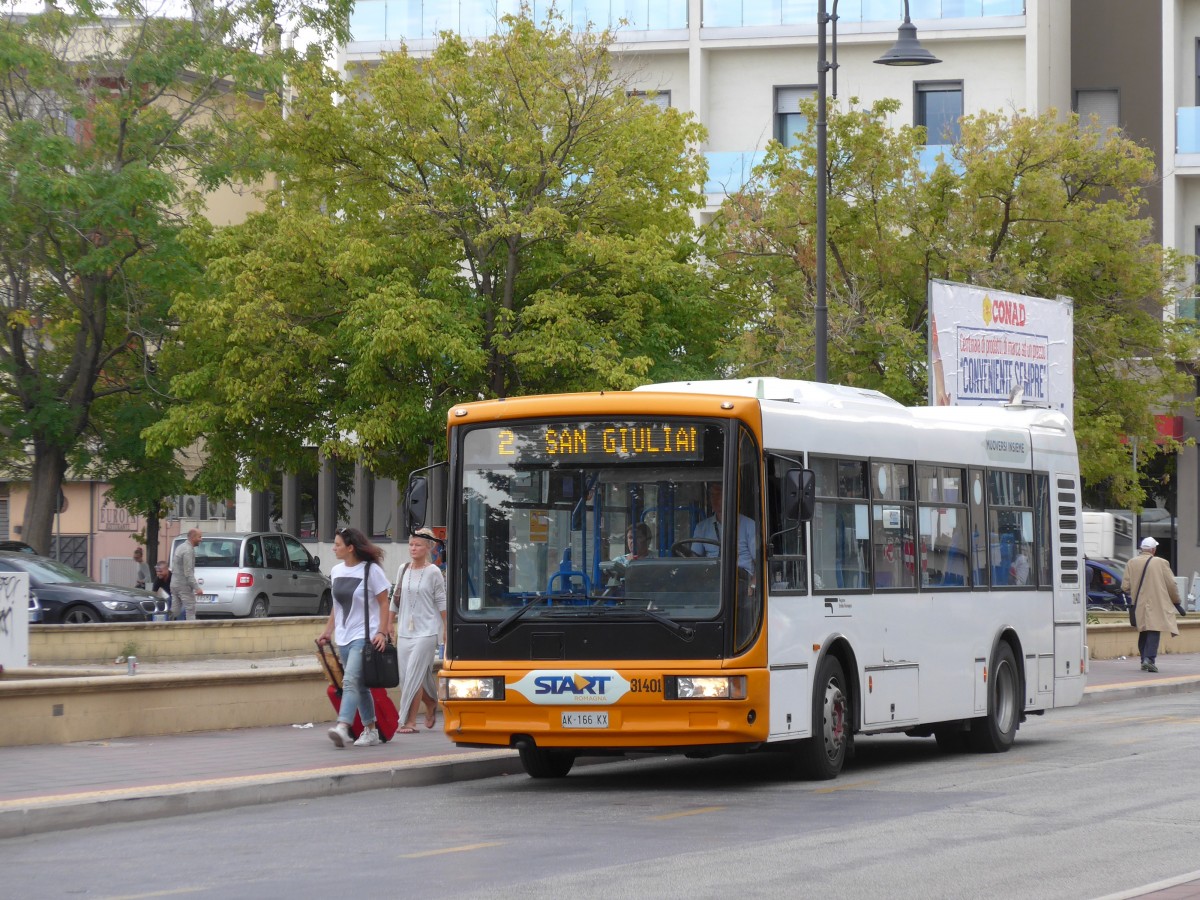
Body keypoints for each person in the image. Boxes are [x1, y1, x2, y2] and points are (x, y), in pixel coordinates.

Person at [318, 526, 392, 748]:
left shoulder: (371, 571)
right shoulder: (338, 571)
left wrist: (381, 631)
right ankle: (370, 731)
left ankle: (342, 727)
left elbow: (383, 602)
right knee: (359, 686)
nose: (334, 548)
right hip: (344, 637)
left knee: (350, 681)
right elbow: (337, 607)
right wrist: (328, 631)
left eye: (338, 545)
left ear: (350, 548)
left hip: (364, 635)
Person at [391, 527, 446, 734]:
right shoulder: (402, 569)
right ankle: (431, 702)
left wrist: (446, 630)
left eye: (418, 545)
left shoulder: (433, 572)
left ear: (428, 547)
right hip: (405, 630)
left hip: (427, 631)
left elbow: (441, 601)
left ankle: (407, 721)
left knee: (414, 676)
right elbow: (395, 598)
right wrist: (388, 624)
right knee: (407, 677)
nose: (413, 548)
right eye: (411, 544)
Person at [1122, 536, 1182, 673]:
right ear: (1153, 550)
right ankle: (1149, 659)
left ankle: (1144, 659)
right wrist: (1176, 600)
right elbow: (1171, 584)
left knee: (1143, 630)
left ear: (1142, 549)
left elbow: (1125, 586)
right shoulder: (1161, 562)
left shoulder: (1131, 562)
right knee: (1154, 630)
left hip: (1139, 603)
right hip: (1157, 603)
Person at [691, 483, 756, 577]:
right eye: (712, 495)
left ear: (729, 496)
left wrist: (753, 585)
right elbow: (694, 559)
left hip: (740, 578)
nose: (715, 499)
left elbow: (759, 562)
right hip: (711, 576)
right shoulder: (701, 527)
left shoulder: (749, 525)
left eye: (719, 494)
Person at [170, 529, 202, 621]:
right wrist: (197, 588)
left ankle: (169, 627)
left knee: (175, 610)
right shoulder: (188, 551)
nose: (201, 539)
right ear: (193, 538)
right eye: (199, 537)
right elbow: (188, 573)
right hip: (183, 585)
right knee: (190, 609)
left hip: (174, 583)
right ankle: (191, 632)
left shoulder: (180, 547)